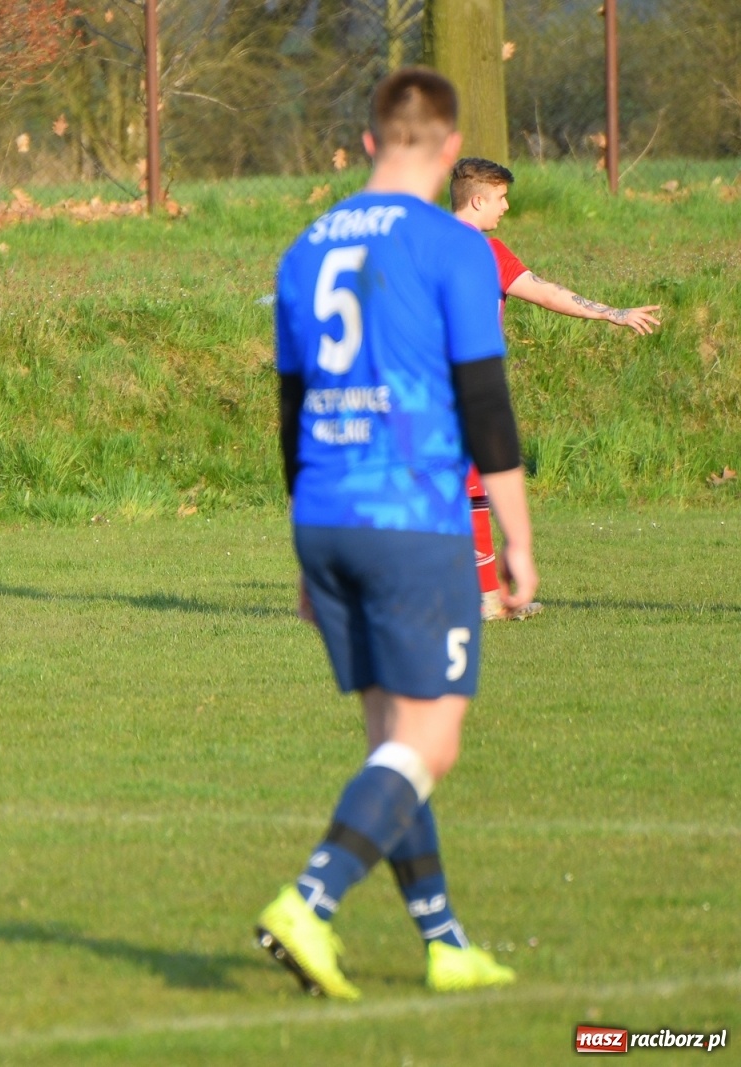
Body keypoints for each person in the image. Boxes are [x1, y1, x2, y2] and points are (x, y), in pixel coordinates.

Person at [254, 68, 538, 998]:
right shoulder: (450, 245)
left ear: (370, 142)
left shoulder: (305, 246)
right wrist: (518, 541)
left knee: (391, 740)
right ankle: (309, 900)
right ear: (451, 151)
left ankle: (445, 941)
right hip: (412, 518)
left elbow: (291, 411)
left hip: (328, 515)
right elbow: (485, 405)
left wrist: (304, 548)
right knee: (432, 742)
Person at [450, 156, 660, 622]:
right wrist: (613, 313)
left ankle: (482, 597)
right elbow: (546, 292)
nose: (505, 207)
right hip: (455, 392)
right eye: (501, 198)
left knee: (466, 492)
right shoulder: (481, 253)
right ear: (479, 198)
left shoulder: (430, 247)